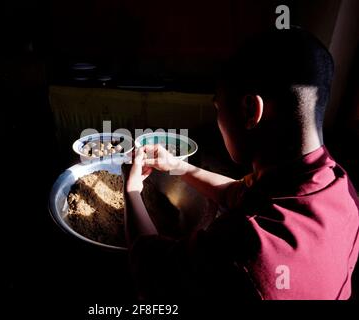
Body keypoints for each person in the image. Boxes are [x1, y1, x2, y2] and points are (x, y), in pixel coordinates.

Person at [123, 28, 359, 300]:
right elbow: (237, 193)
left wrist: (132, 189)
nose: (218, 121)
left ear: (250, 111)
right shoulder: (338, 185)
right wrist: (178, 166)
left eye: (217, 108)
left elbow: (152, 269)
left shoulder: (247, 248)